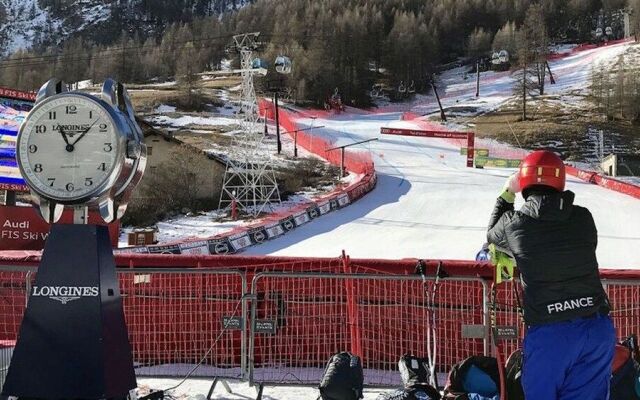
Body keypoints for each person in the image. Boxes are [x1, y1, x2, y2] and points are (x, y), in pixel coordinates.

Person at [486, 150, 616, 399]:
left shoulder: (514, 222)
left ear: (524, 182)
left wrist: (507, 192)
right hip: (597, 328)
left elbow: (492, 234)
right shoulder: (583, 217)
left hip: (551, 334)